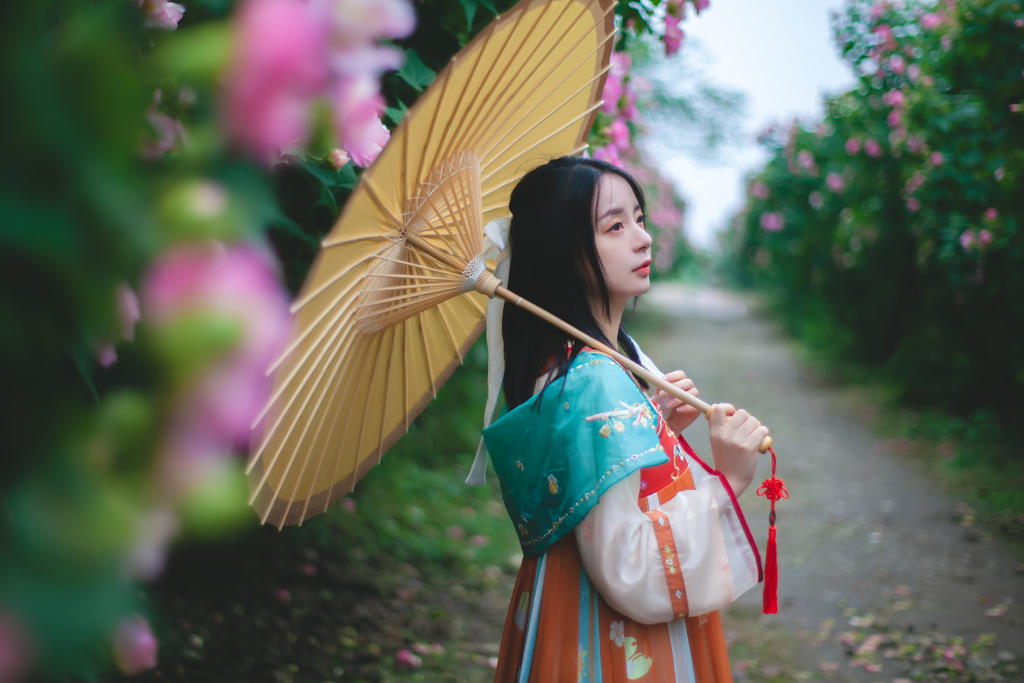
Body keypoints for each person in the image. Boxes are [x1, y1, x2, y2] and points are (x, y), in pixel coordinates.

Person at [482, 156, 769, 682]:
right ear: (561, 253)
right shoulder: (591, 380)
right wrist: (726, 480)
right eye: (615, 226)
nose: (642, 238)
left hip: (567, 612)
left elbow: (593, 487)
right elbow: (627, 566)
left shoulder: (589, 366)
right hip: (608, 639)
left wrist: (651, 427)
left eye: (638, 218)